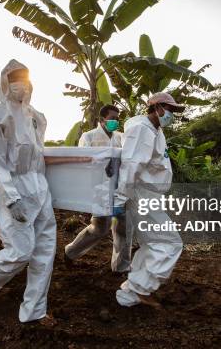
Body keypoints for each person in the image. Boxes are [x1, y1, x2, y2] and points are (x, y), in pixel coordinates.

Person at [0, 59, 56, 323]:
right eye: (14, 79)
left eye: (24, 77)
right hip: (15, 187)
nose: (20, 84)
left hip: (39, 187)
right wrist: (11, 199)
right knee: (21, 251)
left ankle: (34, 310)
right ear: (5, 83)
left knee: (44, 251)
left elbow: (39, 152)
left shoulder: (35, 115)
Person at [114, 92, 185, 308]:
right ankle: (138, 289)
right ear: (157, 107)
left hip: (151, 195)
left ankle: (130, 292)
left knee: (150, 244)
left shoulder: (155, 130)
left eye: (174, 111)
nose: (172, 114)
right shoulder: (142, 130)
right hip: (143, 195)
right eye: (169, 109)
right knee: (170, 244)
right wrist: (119, 199)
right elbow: (131, 166)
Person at [64, 104, 132, 273]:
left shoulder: (120, 137)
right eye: (112, 118)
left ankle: (120, 267)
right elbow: (84, 159)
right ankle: (71, 252)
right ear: (102, 120)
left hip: (119, 189)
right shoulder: (89, 137)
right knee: (100, 228)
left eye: (117, 119)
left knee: (123, 226)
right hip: (98, 189)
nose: (115, 121)